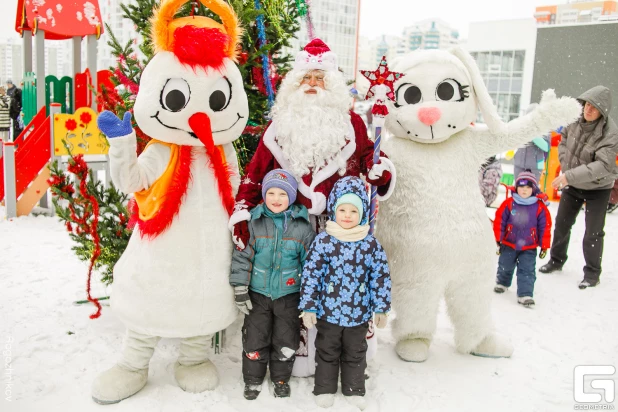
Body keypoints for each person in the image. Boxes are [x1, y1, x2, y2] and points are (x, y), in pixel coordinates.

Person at [228, 38, 395, 250]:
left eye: (320, 77)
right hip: (288, 230)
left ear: (332, 85)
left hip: (339, 228)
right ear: (295, 83)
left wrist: (380, 168)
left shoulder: (351, 123)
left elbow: (368, 155)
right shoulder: (278, 126)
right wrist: (242, 212)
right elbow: (256, 173)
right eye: (306, 77)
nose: (312, 83)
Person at [299, 176, 391, 410]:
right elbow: (311, 275)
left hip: (358, 314)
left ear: (361, 214)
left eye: (353, 210)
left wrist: (380, 307)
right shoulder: (324, 241)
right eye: (342, 209)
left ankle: (353, 388)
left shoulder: (369, 244)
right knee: (327, 352)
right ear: (333, 210)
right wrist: (309, 306)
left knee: (355, 352)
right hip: (328, 312)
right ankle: (324, 388)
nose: (347, 215)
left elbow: (379, 277)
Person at [230, 169, 316, 400]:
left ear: (291, 197)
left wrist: (308, 299)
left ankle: (280, 378)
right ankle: (253, 380)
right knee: (254, 338)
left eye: (282, 194)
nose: (276, 199)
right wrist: (240, 288)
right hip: (258, 294)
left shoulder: (302, 227)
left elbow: (311, 265)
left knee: (286, 340)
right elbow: (242, 256)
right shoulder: (254, 223)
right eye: (271, 193)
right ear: (264, 194)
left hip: (289, 295)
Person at [540, 85, 618, 289]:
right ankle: (556, 260)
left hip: (598, 188)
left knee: (593, 232)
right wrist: (566, 165)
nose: (588, 110)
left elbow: (602, 166)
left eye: (594, 107)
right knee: (562, 223)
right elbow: (563, 139)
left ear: (602, 112)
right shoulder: (573, 119)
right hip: (572, 182)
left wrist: (569, 175)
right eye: (587, 105)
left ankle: (592, 273)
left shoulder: (610, 133)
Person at [493, 170, 552, 307]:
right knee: (505, 265)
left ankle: (525, 294)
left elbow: (545, 227)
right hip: (509, 243)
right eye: (521, 187)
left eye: (528, 187)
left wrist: (544, 245)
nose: (524, 190)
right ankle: (502, 282)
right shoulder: (509, 203)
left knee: (527, 270)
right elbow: (499, 221)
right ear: (516, 187)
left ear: (533, 189)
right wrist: (498, 238)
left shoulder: (539, 207)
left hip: (529, 247)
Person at [514, 104, 551, 182]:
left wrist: (532, 134)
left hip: (535, 166)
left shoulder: (545, 129)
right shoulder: (521, 127)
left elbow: (546, 147)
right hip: (519, 164)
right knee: (518, 188)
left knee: (531, 190)